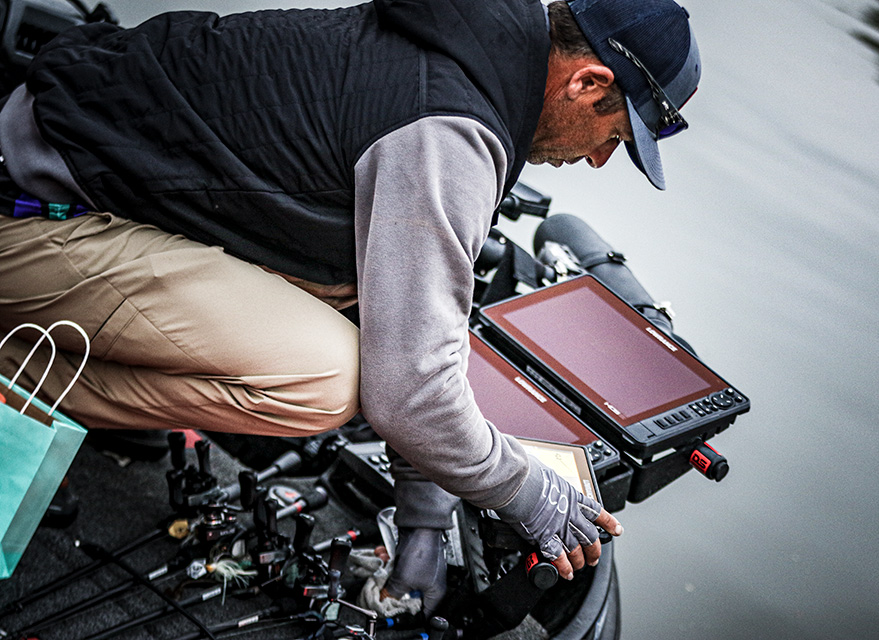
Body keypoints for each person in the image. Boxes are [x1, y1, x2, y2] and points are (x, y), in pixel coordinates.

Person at [0, 0, 699, 616]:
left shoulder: (469, 43)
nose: (600, 160)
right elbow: (409, 394)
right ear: (587, 82)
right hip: (32, 212)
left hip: (47, 144)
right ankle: (18, 380)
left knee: (354, 303)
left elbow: (404, 314)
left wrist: (424, 515)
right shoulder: (451, 131)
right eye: (616, 138)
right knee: (325, 379)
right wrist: (528, 493)